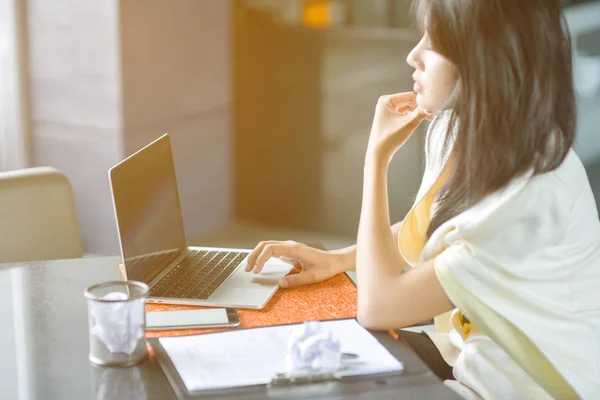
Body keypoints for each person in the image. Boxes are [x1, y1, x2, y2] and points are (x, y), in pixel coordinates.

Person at [245, 0, 600, 398]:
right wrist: (340, 259)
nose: (413, 56)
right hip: (475, 363)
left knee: (312, 379)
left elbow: (379, 309)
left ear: (483, 63)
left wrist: (375, 159)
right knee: (294, 352)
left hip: (517, 391)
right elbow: (436, 230)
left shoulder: (530, 197)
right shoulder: (472, 132)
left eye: (434, 44)